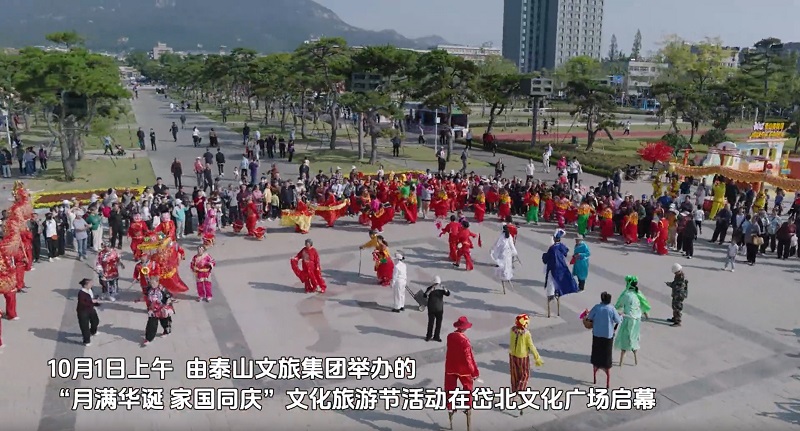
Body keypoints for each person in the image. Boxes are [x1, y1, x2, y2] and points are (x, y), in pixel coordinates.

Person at [444, 316, 479, 431]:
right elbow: (469, 359)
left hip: (451, 366)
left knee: (450, 389)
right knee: (467, 388)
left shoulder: (450, 336)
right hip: (463, 369)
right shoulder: (465, 341)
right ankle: (467, 407)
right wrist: (474, 372)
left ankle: (450, 408)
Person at [508, 314, 543, 416]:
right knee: (525, 375)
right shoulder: (526, 333)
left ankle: (514, 392)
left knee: (514, 375)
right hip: (522, 356)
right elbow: (531, 346)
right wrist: (537, 357)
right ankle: (520, 391)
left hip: (512, 355)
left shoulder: (512, 330)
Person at [584, 291, 621, 388]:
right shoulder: (612, 308)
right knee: (607, 354)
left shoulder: (597, 307)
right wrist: (620, 315)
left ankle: (595, 371)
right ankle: (607, 378)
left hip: (597, 334)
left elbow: (589, 317)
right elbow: (618, 320)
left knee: (596, 352)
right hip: (608, 336)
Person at [542, 229, 579, 317]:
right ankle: (558, 293)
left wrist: (544, 255)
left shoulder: (552, 248)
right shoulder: (561, 246)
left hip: (553, 268)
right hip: (562, 267)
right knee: (560, 281)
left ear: (554, 239)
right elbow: (566, 251)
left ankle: (551, 295)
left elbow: (546, 259)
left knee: (551, 282)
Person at [615, 276, 644, 366]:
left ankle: (621, 362)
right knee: (634, 337)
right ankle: (636, 360)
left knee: (625, 338)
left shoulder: (626, 295)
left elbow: (619, 305)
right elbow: (644, 305)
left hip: (628, 319)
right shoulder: (638, 294)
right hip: (637, 319)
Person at [142, 278, 175, 346]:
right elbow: (146, 296)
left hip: (162, 309)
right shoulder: (149, 289)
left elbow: (169, 296)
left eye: (154, 283)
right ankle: (148, 338)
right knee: (151, 324)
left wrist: (169, 302)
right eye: (151, 283)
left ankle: (166, 331)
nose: (152, 285)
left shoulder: (162, 289)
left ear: (157, 282)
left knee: (165, 321)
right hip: (153, 309)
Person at [490, 224, 517, 294]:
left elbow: (497, 244)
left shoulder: (501, 236)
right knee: (507, 267)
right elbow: (512, 245)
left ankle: (504, 284)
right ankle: (508, 279)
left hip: (502, 254)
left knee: (502, 268)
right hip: (508, 255)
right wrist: (514, 252)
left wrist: (492, 250)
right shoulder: (509, 236)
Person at [423, 276, 450, 342]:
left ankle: (436, 336)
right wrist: (431, 290)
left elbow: (448, 294)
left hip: (438, 309)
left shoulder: (441, 290)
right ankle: (429, 336)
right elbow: (425, 295)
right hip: (433, 309)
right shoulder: (430, 288)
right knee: (431, 323)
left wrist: (445, 289)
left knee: (438, 324)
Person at [76, 278, 100, 346]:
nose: (92, 284)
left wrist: (96, 302)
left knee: (95, 321)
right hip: (83, 311)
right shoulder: (81, 293)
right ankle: (86, 341)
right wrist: (92, 302)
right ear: (85, 285)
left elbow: (92, 298)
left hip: (90, 309)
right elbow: (83, 303)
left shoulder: (90, 290)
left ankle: (93, 331)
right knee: (85, 326)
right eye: (90, 284)